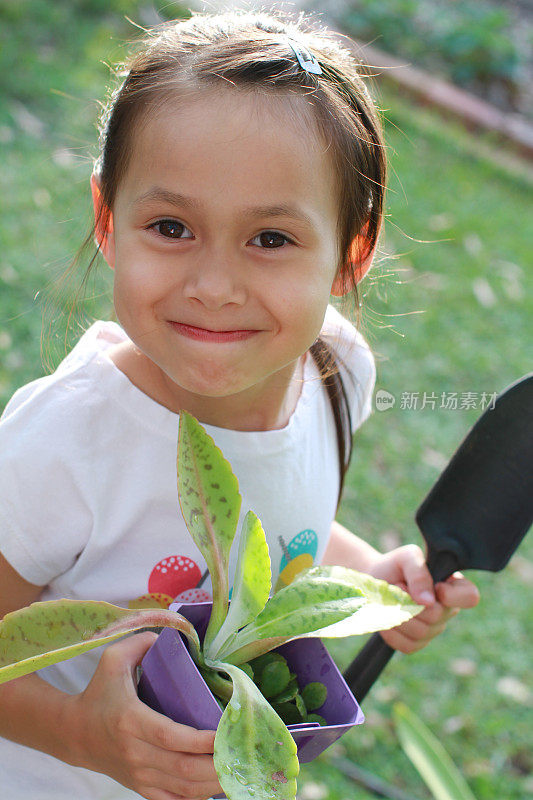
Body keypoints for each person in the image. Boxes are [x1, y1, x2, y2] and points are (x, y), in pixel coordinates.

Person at [0, 10, 480, 800]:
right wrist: (83, 737)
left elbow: (280, 527)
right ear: (108, 222)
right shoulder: (67, 442)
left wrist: (369, 579)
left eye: (269, 239)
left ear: (349, 253)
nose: (213, 286)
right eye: (171, 226)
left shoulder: (333, 374)